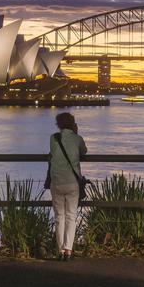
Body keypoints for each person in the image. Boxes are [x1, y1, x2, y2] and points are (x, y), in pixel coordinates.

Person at [47, 112, 87, 261]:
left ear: (58, 125)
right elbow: (84, 151)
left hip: (56, 181)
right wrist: (76, 134)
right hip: (72, 183)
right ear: (73, 124)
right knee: (71, 216)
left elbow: (52, 153)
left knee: (59, 217)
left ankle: (60, 250)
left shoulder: (53, 138)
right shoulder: (78, 139)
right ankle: (68, 250)